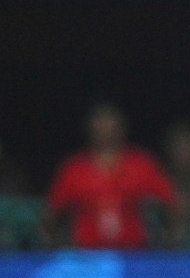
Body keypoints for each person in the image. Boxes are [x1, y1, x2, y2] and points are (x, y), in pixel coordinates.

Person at [45, 103, 181, 249]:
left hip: (135, 251)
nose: (105, 128)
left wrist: (168, 244)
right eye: (99, 121)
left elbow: (173, 203)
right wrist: (55, 250)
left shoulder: (141, 163)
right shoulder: (73, 167)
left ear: (121, 125)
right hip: (86, 253)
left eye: (109, 121)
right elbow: (51, 213)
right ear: (89, 127)